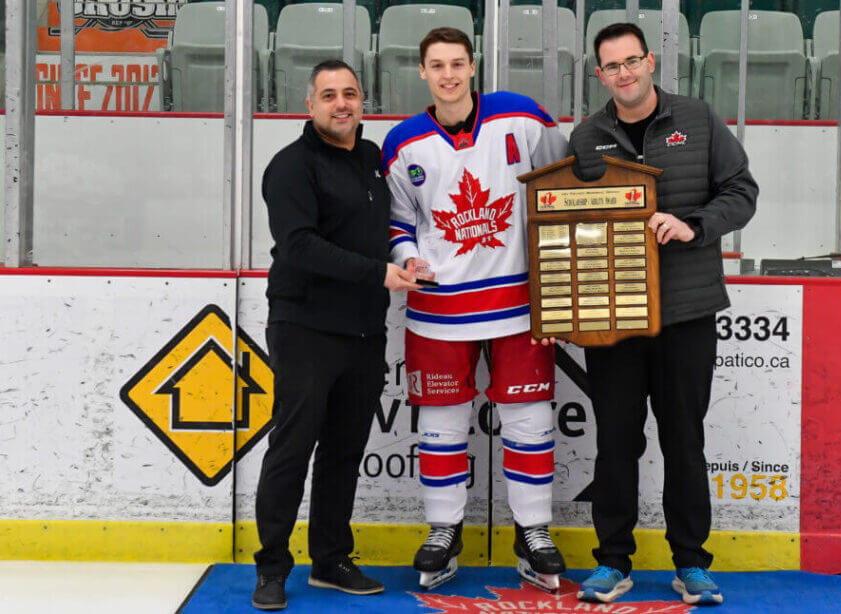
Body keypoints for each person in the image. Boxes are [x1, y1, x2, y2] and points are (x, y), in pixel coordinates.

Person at [566, 23, 757, 606]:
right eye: (611, 66)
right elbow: (568, 226)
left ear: (651, 61)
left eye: (631, 61)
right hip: (613, 320)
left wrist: (694, 225)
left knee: (684, 441)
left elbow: (741, 192)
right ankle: (612, 563)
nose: (623, 73)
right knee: (616, 443)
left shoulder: (698, 119)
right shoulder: (586, 137)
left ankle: (692, 564)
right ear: (599, 75)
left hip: (687, 313)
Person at [382, 27, 569, 591]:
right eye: (437, 65)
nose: (449, 74)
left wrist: (557, 290)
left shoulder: (522, 117)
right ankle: (444, 529)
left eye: (457, 63)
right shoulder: (402, 142)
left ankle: (533, 532)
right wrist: (409, 258)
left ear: (473, 65)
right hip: (438, 309)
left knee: (530, 421)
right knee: (440, 425)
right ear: (422, 71)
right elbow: (398, 222)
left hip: (518, 305)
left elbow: (560, 192)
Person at [252, 59, 421, 611]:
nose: (341, 103)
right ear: (310, 104)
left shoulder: (373, 160)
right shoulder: (290, 166)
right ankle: (272, 566)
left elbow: (386, 231)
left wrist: (405, 261)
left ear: (362, 101)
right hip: (305, 327)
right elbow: (298, 245)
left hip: (364, 330)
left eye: (350, 93)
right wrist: (377, 273)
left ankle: (330, 559)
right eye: (329, 95)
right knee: (292, 447)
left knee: (344, 451)